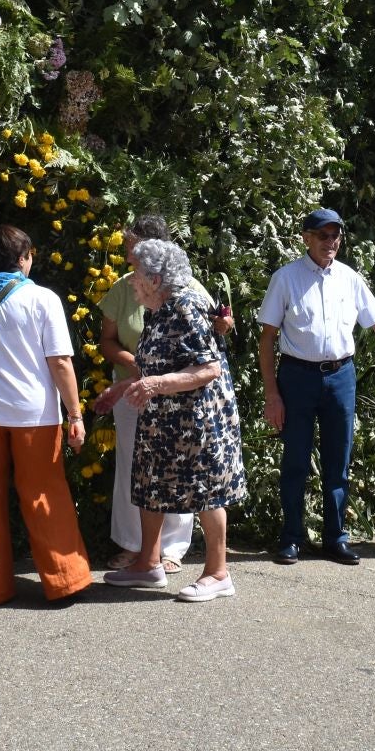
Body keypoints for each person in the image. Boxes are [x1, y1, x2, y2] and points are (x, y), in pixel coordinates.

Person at [256, 208, 375, 566]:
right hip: (297, 377)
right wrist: (272, 394)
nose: (330, 242)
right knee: (296, 462)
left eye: (335, 236)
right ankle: (291, 538)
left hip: (340, 378)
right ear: (306, 238)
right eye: (322, 235)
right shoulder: (286, 278)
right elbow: (267, 340)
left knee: (339, 462)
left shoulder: (350, 278)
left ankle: (336, 538)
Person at [102, 239, 247, 602]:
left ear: (155, 277)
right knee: (151, 483)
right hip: (164, 416)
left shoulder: (185, 306)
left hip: (197, 418)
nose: (131, 280)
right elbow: (161, 362)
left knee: (206, 490)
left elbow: (209, 367)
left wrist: (155, 384)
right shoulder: (160, 308)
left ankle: (218, 573)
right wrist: (126, 388)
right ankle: (148, 565)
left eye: (135, 273)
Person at [0, 224, 94, 605]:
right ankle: (65, 581)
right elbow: (61, 362)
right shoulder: (41, 299)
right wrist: (75, 414)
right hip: (34, 413)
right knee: (43, 494)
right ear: (22, 259)